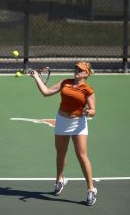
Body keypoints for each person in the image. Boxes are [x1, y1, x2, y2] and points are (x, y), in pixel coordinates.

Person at [30, 61, 97, 206]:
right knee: (60, 153)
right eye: (76, 68)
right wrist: (36, 77)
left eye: (80, 69)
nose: (77, 70)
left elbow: (93, 111)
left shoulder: (88, 90)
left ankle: (91, 189)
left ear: (87, 73)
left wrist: (87, 111)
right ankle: (59, 179)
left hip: (78, 123)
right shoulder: (65, 82)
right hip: (62, 120)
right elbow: (46, 92)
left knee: (82, 155)